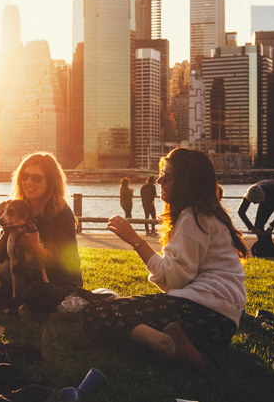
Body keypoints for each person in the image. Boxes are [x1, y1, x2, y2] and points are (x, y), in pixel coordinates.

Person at [82, 147, 248, 372]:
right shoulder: (208, 215)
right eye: (161, 173)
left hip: (201, 313)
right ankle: (186, 348)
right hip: (222, 326)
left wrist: (135, 240)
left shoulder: (192, 217)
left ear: (186, 182)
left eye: (166, 177)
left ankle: (165, 345)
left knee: (98, 314)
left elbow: (172, 279)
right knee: (122, 315)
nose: (159, 180)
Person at [0, 152, 82, 315]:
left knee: (39, 291)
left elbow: (69, 264)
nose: (28, 182)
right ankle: (14, 307)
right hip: (19, 282)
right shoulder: (16, 209)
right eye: (25, 176)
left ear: (50, 182)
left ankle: (1, 305)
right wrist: (5, 235)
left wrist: (36, 249)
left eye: (36, 178)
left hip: (54, 283)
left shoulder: (61, 214)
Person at [238, 179, 274, 259]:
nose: (254, 203)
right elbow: (241, 212)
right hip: (265, 195)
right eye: (253, 202)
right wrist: (252, 228)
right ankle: (266, 249)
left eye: (256, 202)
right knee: (258, 226)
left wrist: (272, 226)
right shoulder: (249, 193)